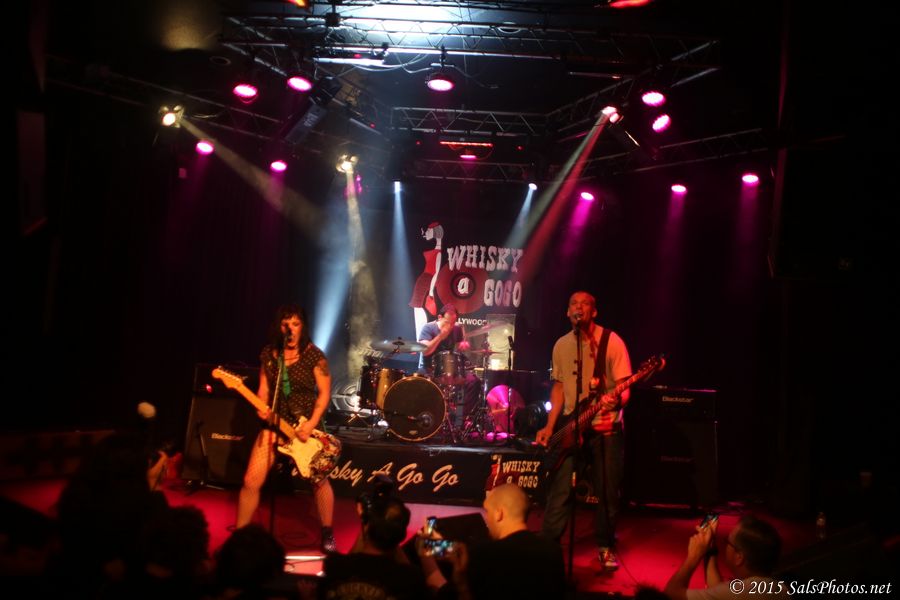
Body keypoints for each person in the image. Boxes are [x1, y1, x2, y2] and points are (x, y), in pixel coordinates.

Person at [535, 290, 632, 570]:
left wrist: (616, 402)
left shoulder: (611, 341)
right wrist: (550, 425)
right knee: (561, 489)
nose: (579, 307)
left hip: (605, 426)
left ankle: (605, 545)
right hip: (572, 424)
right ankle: (547, 547)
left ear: (594, 311)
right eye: (574, 304)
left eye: (585, 304)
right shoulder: (561, 345)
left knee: (607, 491)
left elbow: (625, 388)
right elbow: (559, 387)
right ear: (568, 312)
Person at [235, 304, 338, 554]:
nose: (290, 329)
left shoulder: (315, 356)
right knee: (250, 480)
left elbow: (324, 394)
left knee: (319, 481)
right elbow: (264, 389)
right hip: (275, 424)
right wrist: (261, 407)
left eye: (295, 324)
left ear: (302, 327)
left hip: (306, 428)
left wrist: (311, 423)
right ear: (279, 327)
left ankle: (327, 532)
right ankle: (240, 535)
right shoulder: (269, 354)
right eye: (285, 324)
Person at [319, 492, 429, 600]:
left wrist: (365, 523)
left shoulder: (334, 565)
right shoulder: (411, 578)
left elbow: (349, 564)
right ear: (401, 536)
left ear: (368, 528)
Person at [665, 515, 786, 600]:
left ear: (739, 558)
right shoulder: (779, 588)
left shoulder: (741, 593)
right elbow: (718, 590)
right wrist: (710, 548)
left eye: (728, 541)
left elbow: (671, 594)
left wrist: (693, 556)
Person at [418, 303, 480, 436]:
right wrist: (440, 336)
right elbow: (426, 351)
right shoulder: (428, 328)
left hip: (451, 369)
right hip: (430, 369)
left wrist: (463, 345)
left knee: (473, 381)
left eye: (453, 323)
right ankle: (432, 421)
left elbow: (459, 344)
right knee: (423, 383)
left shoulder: (455, 329)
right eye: (448, 322)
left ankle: (459, 420)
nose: (451, 326)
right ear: (439, 317)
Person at [410, 222, 445, 338]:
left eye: (429, 231)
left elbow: (436, 273)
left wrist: (431, 290)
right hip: (424, 279)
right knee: (417, 306)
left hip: (427, 280)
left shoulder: (438, 253)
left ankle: (422, 336)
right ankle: (420, 336)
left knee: (419, 306)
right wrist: (424, 234)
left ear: (435, 233)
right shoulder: (436, 250)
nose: (426, 233)